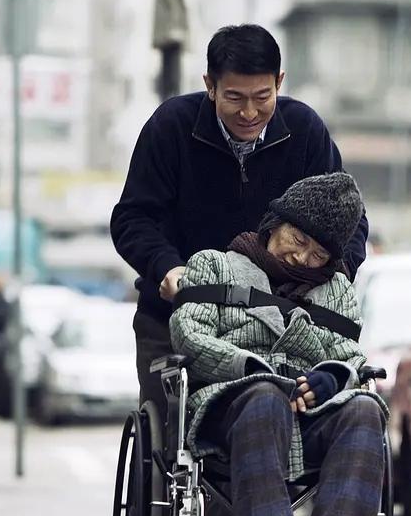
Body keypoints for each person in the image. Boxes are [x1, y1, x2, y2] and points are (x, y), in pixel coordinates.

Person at [170, 173, 386, 516]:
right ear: (276, 222)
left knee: (366, 408)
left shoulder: (338, 293)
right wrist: (249, 366)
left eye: (319, 254)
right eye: (298, 239)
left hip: (307, 416)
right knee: (266, 393)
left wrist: (329, 376)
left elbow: (352, 357)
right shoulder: (214, 265)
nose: (303, 258)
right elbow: (188, 332)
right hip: (230, 406)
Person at [110, 24, 370, 414]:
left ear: (279, 83)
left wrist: (330, 280)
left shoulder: (305, 132)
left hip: (285, 324)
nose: (249, 112)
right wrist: (165, 267)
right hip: (180, 315)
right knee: (169, 429)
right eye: (234, 97)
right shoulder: (171, 127)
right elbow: (132, 217)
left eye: (262, 96)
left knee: (325, 418)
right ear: (210, 85)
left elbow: (350, 224)